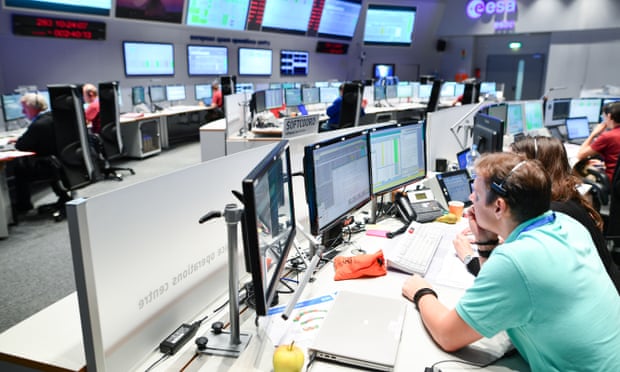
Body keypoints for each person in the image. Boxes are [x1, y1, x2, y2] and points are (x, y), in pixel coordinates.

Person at [402, 152, 620, 371]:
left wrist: (422, 292)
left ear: (499, 207)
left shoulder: (515, 261)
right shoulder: (567, 224)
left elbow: (447, 335)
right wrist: (484, 243)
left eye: (476, 195)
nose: (470, 199)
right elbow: (507, 292)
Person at [454, 136, 620, 293]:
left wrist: (470, 258)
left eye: (514, 163)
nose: (508, 169)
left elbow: (506, 280)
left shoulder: (550, 214)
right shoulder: (564, 197)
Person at [11, 93, 71, 213]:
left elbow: (21, 146)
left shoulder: (38, 125)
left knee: (19, 169)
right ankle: (63, 196)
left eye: (24, 108)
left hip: (51, 166)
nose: (23, 112)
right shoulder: (55, 117)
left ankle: (23, 206)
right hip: (67, 162)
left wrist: (19, 140)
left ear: (33, 108)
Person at [576, 101, 620, 182]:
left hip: (611, 181)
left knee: (578, 169)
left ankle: (584, 194)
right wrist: (603, 164)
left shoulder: (608, 136)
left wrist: (593, 134)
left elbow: (580, 155)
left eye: (603, 116)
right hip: (617, 179)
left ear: (609, 116)